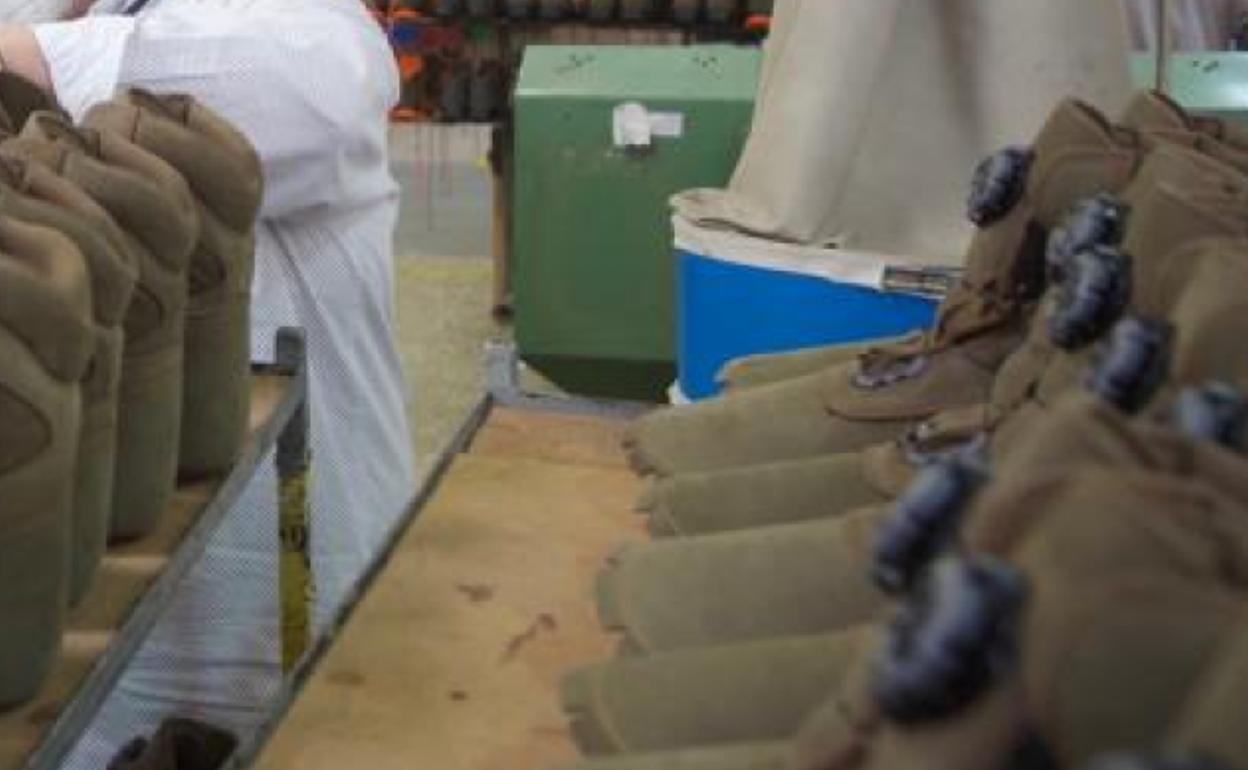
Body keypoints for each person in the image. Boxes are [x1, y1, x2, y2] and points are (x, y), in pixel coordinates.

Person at [0, 0, 417, 764]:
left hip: (292, 628)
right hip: (80, 665)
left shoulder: (304, 33)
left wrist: (30, 57)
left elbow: (307, 86)